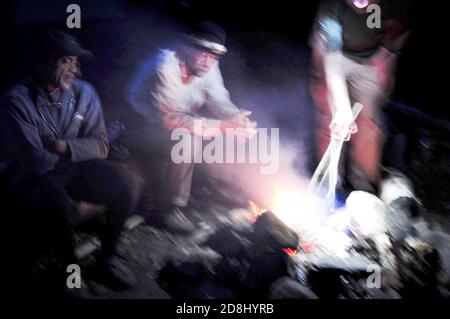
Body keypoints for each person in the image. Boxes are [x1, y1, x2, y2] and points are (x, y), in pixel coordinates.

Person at [0, 31, 137, 292]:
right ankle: (69, 273)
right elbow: (35, 161)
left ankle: (105, 260)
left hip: (71, 166)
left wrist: (64, 146)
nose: (74, 70)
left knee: (123, 184)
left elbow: (101, 144)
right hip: (32, 177)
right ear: (41, 62)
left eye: (76, 62)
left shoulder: (84, 94)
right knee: (56, 202)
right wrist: (81, 150)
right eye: (65, 61)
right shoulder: (15, 101)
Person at [125, 21, 256, 231]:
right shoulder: (165, 65)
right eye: (204, 54)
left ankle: (220, 186)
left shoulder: (208, 64)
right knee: (187, 140)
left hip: (179, 116)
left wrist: (234, 117)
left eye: (214, 57)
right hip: (141, 121)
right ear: (186, 47)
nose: (209, 61)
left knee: (222, 131)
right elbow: (170, 119)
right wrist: (223, 127)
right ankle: (167, 209)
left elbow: (218, 99)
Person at [309, 0, 411, 194]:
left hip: (369, 58)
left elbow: (402, 26)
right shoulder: (332, 7)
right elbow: (333, 59)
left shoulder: (392, 5)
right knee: (333, 120)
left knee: (369, 123)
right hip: (331, 55)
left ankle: (363, 187)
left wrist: (389, 52)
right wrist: (341, 107)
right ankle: (327, 183)